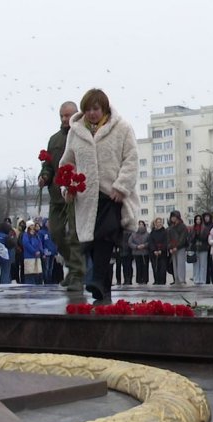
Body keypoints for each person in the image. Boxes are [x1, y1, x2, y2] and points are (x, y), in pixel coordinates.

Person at [60, 88, 139, 302]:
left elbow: (131, 158)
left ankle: (96, 279)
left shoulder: (121, 128)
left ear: (104, 107)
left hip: (112, 194)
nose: (92, 113)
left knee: (107, 235)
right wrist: (68, 186)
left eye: (96, 109)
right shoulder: (76, 132)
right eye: (87, 109)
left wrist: (121, 186)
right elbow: (67, 163)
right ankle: (103, 290)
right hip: (86, 197)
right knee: (93, 242)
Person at [38, 101, 85, 291]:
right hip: (57, 195)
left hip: (75, 195)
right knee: (56, 233)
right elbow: (48, 165)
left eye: (68, 115)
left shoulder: (82, 137)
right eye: (62, 115)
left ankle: (76, 274)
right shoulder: (54, 140)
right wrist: (44, 176)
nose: (65, 119)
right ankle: (72, 267)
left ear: (76, 115)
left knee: (74, 235)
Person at [167, 210, 188, 285]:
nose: (173, 218)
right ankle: (176, 280)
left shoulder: (183, 226)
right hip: (172, 248)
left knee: (180, 264)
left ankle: (182, 280)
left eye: (174, 217)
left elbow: (183, 238)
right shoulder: (170, 227)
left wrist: (177, 247)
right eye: (172, 217)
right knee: (174, 264)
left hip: (180, 248)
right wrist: (170, 247)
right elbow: (168, 238)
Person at [188, 214, 209, 285]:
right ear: (195, 220)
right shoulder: (192, 228)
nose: (198, 221)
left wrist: (199, 234)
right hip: (195, 248)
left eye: (199, 219)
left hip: (203, 248)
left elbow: (205, 238)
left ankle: (202, 280)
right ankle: (196, 279)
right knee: (196, 264)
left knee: (203, 265)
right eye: (197, 219)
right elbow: (190, 238)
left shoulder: (205, 228)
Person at [22, 220, 44, 284]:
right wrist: (34, 251)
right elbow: (26, 244)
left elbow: (40, 243)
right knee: (29, 273)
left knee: (37, 273)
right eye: (31, 225)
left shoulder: (36, 235)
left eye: (33, 225)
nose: (32, 226)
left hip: (37, 257)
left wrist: (41, 251)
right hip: (29, 257)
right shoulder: (26, 235)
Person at [128, 220, 150, 284]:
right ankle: (139, 280)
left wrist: (144, 245)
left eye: (142, 224)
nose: (140, 226)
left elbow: (150, 242)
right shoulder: (134, 234)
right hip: (137, 253)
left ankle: (145, 280)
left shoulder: (147, 234)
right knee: (138, 267)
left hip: (145, 253)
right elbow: (130, 242)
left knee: (145, 267)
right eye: (139, 224)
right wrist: (136, 246)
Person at [38, 218, 58, 283]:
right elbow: (40, 243)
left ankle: (49, 280)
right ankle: (46, 280)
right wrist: (42, 252)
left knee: (50, 268)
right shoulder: (41, 232)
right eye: (47, 223)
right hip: (46, 253)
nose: (49, 224)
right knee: (45, 268)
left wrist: (55, 251)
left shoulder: (52, 232)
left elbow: (55, 242)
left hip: (52, 252)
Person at [149, 217, 167, 285]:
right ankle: (156, 280)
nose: (159, 223)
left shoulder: (165, 232)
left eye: (160, 222)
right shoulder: (152, 232)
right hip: (154, 253)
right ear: (155, 223)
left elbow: (166, 242)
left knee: (162, 268)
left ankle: (162, 281)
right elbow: (151, 242)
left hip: (162, 252)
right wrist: (154, 250)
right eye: (157, 222)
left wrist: (161, 250)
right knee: (155, 267)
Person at [202, 212, 213, 283]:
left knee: (212, 265)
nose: (206, 218)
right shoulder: (202, 226)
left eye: (208, 216)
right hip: (204, 247)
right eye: (205, 217)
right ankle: (206, 280)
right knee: (205, 265)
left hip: (212, 247)